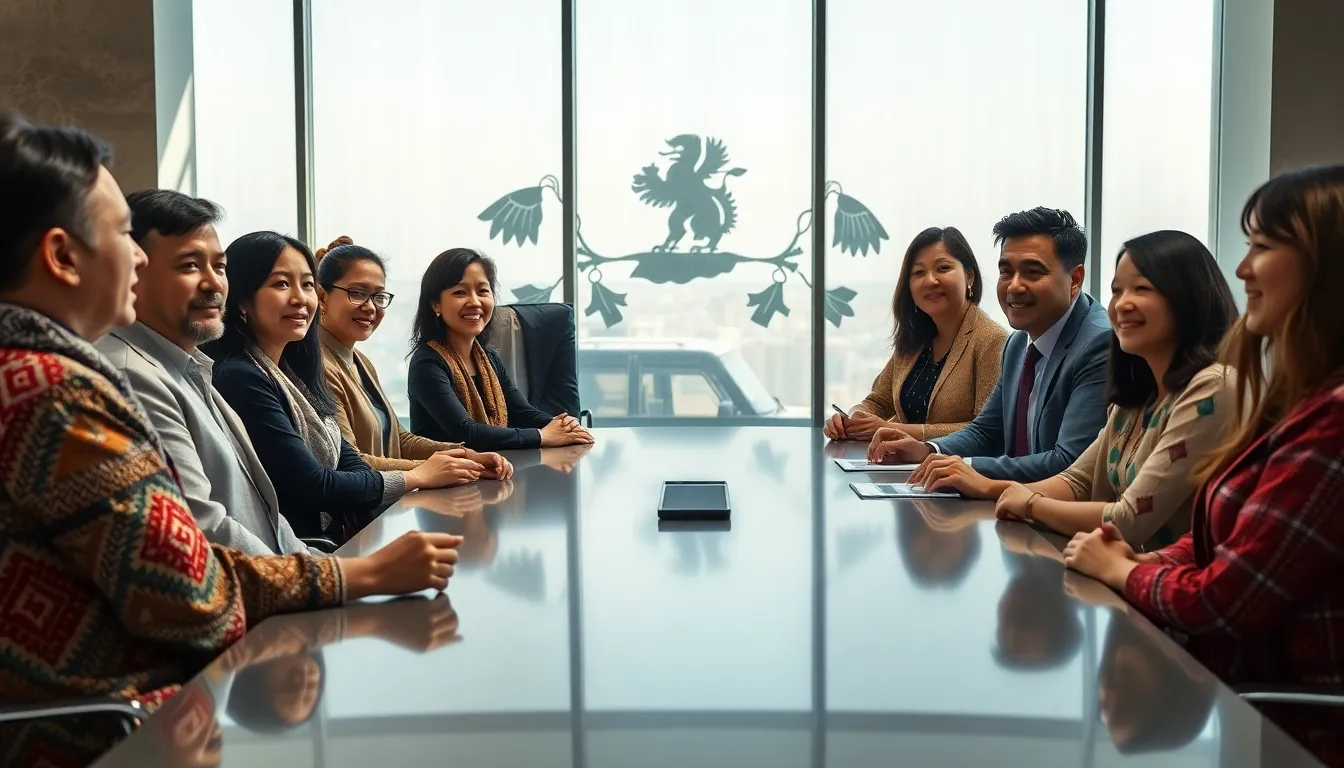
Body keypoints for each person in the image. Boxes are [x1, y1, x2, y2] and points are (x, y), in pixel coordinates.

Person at [0, 112, 459, 767]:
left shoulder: (42, 371)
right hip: (116, 735)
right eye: (125, 234)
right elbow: (190, 597)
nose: (135, 254)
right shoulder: (51, 389)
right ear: (62, 256)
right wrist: (353, 575)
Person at [1063, 164, 1344, 766]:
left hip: (1289, 732)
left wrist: (1123, 570)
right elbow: (1217, 542)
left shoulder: (1331, 419)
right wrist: (1142, 560)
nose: (1242, 269)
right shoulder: (1310, 400)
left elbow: (1225, 600)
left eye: (1263, 247)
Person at [205, 232, 476, 545]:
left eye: (306, 284)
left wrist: (457, 458)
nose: (299, 298)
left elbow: (349, 461)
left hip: (337, 535)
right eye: (281, 283)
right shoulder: (242, 377)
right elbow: (314, 484)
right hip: (301, 552)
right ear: (242, 299)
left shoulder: (294, 372)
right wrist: (420, 475)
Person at [95, 190, 311, 555]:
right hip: (251, 601)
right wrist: (340, 578)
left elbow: (266, 519)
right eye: (190, 266)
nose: (214, 284)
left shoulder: (190, 366)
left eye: (220, 267)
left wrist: (326, 568)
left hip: (278, 588)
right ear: (131, 272)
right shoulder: (129, 375)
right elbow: (203, 529)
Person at [993, 231, 1239, 550]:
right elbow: (1077, 480)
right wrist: (1011, 494)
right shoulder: (1136, 396)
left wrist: (1030, 505)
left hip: (1169, 588)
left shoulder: (1213, 388)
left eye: (1142, 289)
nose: (1122, 305)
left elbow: (1130, 520)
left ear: (1187, 298)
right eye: (1116, 291)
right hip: (1119, 578)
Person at [868, 207, 1111, 497]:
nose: (1015, 286)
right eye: (1006, 272)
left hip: (1070, 528)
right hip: (1016, 512)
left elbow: (1069, 463)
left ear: (1075, 279)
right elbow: (987, 430)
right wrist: (927, 450)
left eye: (1033, 272)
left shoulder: (1099, 344)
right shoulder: (1019, 343)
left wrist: (966, 468)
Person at [314, 236, 513, 480]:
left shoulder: (360, 361)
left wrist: (466, 456)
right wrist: (427, 471)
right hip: (362, 512)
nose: (370, 307)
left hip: (387, 502)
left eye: (378, 296)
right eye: (357, 293)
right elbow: (351, 461)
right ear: (322, 298)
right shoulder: (318, 366)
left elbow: (400, 439)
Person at [824, 226, 1008, 442]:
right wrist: (852, 420)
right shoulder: (915, 338)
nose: (930, 280)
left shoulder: (992, 340)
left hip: (957, 471)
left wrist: (897, 430)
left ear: (969, 277)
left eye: (943, 268)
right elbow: (878, 402)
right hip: (900, 467)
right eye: (919, 273)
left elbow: (987, 431)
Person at [407, 248, 593, 450]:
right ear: (436, 304)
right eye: (460, 292)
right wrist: (542, 436)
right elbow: (467, 432)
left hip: (492, 469)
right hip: (446, 476)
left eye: (483, 291)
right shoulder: (427, 363)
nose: (475, 302)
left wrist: (564, 425)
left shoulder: (487, 358)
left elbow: (521, 412)